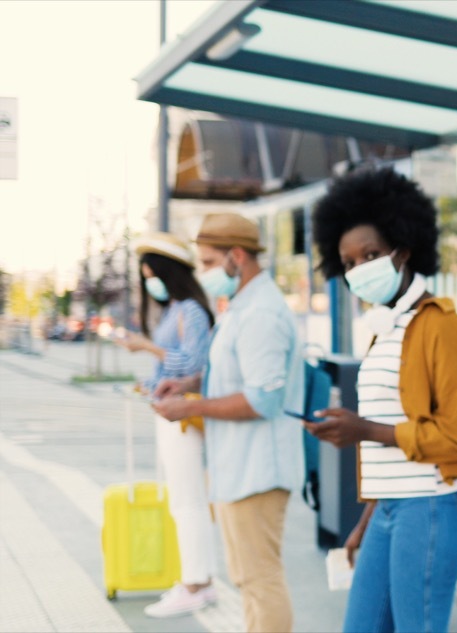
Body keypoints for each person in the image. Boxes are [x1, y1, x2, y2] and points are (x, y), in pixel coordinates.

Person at [305, 166, 457, 633]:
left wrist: (363, 430)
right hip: (389, 507)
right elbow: (393, 442)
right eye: (348, 263)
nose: (359, 269)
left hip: (432, 507)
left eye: (370, 254)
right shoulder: (385, 328)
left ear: (404, 249)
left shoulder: (440, 325)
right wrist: (364, 521)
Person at [152, 213, 304, 633]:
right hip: (238, 468)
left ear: (237, 257)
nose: (203, 273)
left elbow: (262, 399)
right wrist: (189, 383)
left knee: (260, 581)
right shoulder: (242, 307)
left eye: (206, 262)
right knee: (248, 580)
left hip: (258, 471)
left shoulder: (261, 315)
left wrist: (192, 408)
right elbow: (234, 372)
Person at [114, 231, 217, 618]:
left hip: (182, 415)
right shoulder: (177, 307)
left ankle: (194, 583)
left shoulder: (189, 309)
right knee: (186, 499)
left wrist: (147, 347)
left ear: (167, 272)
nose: (148, 280)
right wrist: (152, 380)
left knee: (186, 500)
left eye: (151, 273)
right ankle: (199, 580)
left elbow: (191, 362)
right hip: (169, 409)